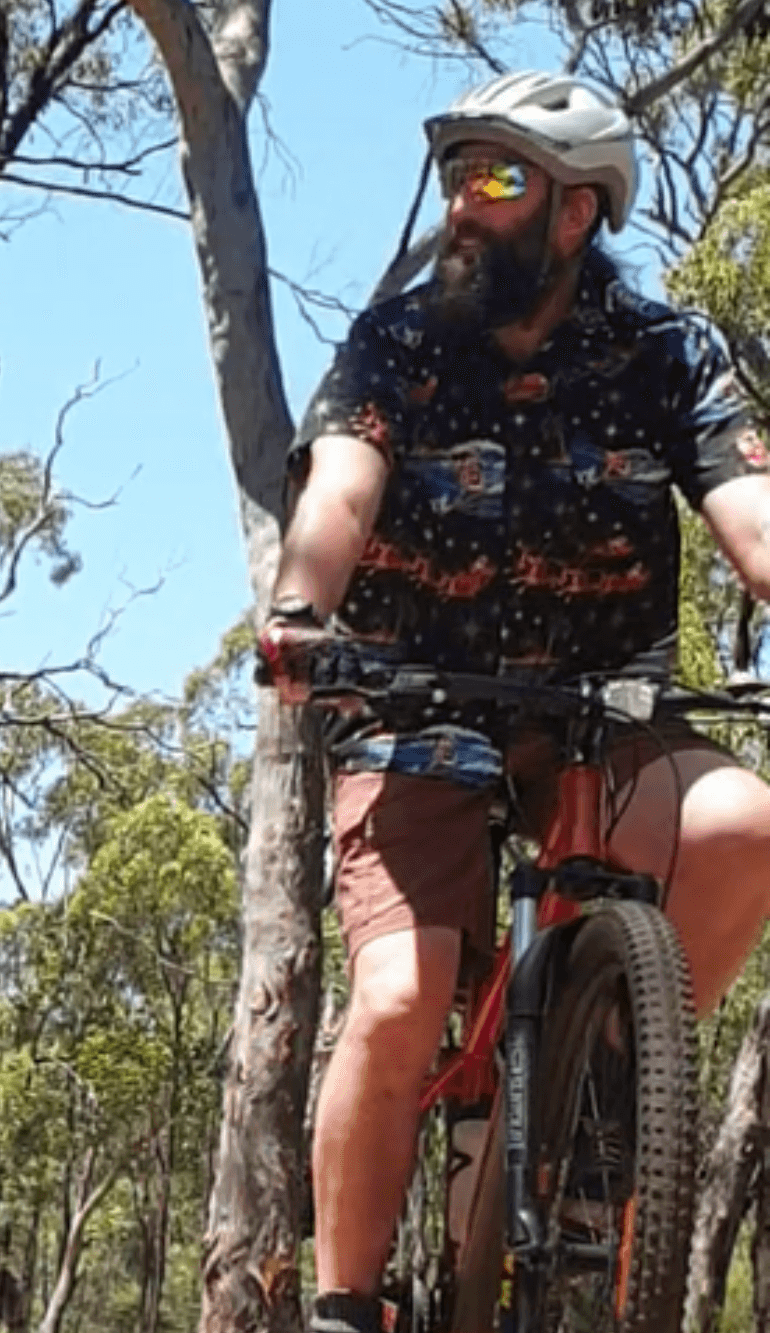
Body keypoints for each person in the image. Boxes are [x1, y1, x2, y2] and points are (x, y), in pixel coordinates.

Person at [258, 71, 770, 1333]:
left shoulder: (664, 350)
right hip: (408, 696)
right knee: (396, 997)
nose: (460, 207)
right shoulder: (399, 339)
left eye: (495, 179)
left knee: (745, 827)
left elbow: (748, 511)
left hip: (601, 704)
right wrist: (298, 609)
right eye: (453, 178)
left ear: (576, 209)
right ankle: (340, 1305)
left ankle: (600, 1123)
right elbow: (339, 488)